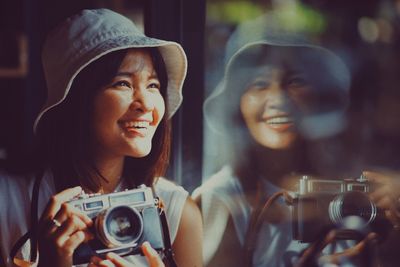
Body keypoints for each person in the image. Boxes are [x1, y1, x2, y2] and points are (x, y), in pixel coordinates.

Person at [0, 8, 202, 267]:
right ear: (76, 100)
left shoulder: (175, 212)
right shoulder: (9, 199)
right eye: (123, 83)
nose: (146, 104)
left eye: (153, 85)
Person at [193, 14, 399, 267]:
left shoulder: (350, 187)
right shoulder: (220, 198)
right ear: (238, 101)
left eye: (295, 82)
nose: (278, 100)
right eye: (259, 84)